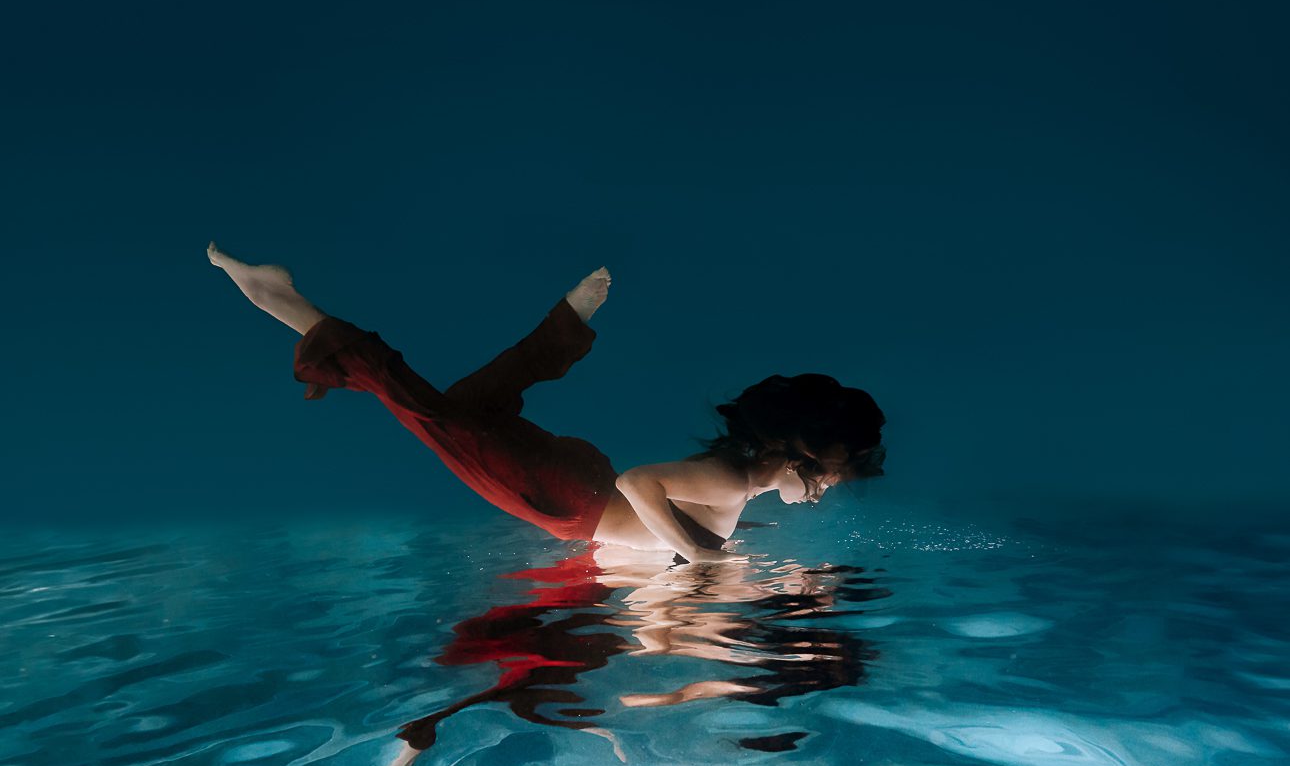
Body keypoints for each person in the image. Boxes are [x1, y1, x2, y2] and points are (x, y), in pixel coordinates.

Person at [207, 243, 886, 564]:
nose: (822, 493)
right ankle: (281, 299)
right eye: (824, 478)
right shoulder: (732, 481)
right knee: (429, 412)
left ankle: (566, 324)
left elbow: (669, 517)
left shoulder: (741, 490)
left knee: (472, 408)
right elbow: (637, 483)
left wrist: (722, 554)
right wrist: (701, 558)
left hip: (574, 483)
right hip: (561, 494)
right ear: (793, 456)